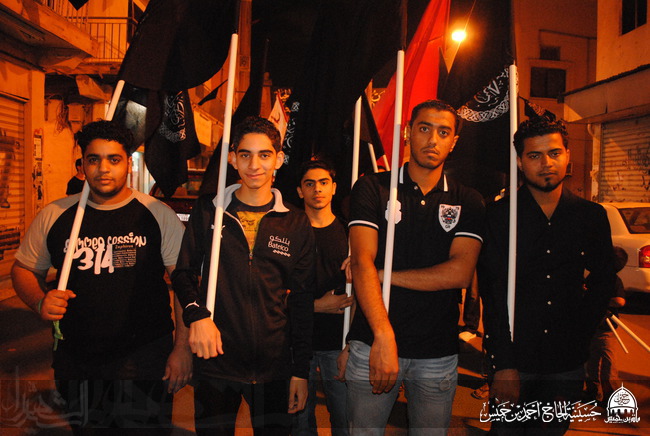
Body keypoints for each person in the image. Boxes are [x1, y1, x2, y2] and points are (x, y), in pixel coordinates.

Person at [11, 120, 191, 434]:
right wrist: (39, 300)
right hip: (77, 359)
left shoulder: (157, 214)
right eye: (94, 159)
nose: (103, 169)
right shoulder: (55, 215)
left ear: (128, 164)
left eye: (114, 159)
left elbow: (184, 283)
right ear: (82, 165)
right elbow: (23, 269)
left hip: (145, 357)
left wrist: (182, 349)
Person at [346, 99, 485, 435]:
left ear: (454, 142)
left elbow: (459, 273)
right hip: (373, 341)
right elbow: (361, 260)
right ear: (408, 132)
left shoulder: (467, 200)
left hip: (436, 352)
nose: (433, 139)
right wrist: (383, 335)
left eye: (443, 132)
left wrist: (382, 274)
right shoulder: (373, 187)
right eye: (424, 128)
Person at [171, 116, 315, 435]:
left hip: (274, 367)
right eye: (245, 154)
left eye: (264, 155)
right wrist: (197, 316)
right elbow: (183, 274)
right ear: (233, 159)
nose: (254, 165)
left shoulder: (295, 222)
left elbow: (302, 301)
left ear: (279, 159)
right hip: (216, 363)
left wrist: (300, 371)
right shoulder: (209, 211)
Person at [479, 117, 615, 435]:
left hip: (566, 364)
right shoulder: (500, 216)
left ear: (568, 155)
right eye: (534, 155)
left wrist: (580, 336)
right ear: (520, 161)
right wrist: (504, 364)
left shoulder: (591, 217)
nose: (546, 164)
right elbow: (493, 293)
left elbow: (603, 281)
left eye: (554, 153)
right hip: (515, 359)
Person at [292, 160, 353, 436]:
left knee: (345, 421)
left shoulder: (350, 233)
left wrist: (352, 345)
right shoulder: (288, 232)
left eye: (323, 183)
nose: (317, 189)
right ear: (299, 191)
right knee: (300, 423)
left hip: (337, 344)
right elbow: (273, 292)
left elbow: (362, 293)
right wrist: (316, 306)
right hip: (295, 344)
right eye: (310, 184)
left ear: (334, 188)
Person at [584, 246, 627, 406]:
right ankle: (592, 391)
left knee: (608, 364)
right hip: (591, 327)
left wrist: (599, 300)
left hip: (606, 330)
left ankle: (611, 396)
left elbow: (620, 301)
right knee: (591, 362)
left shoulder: (614, 280)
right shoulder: (593, 277)